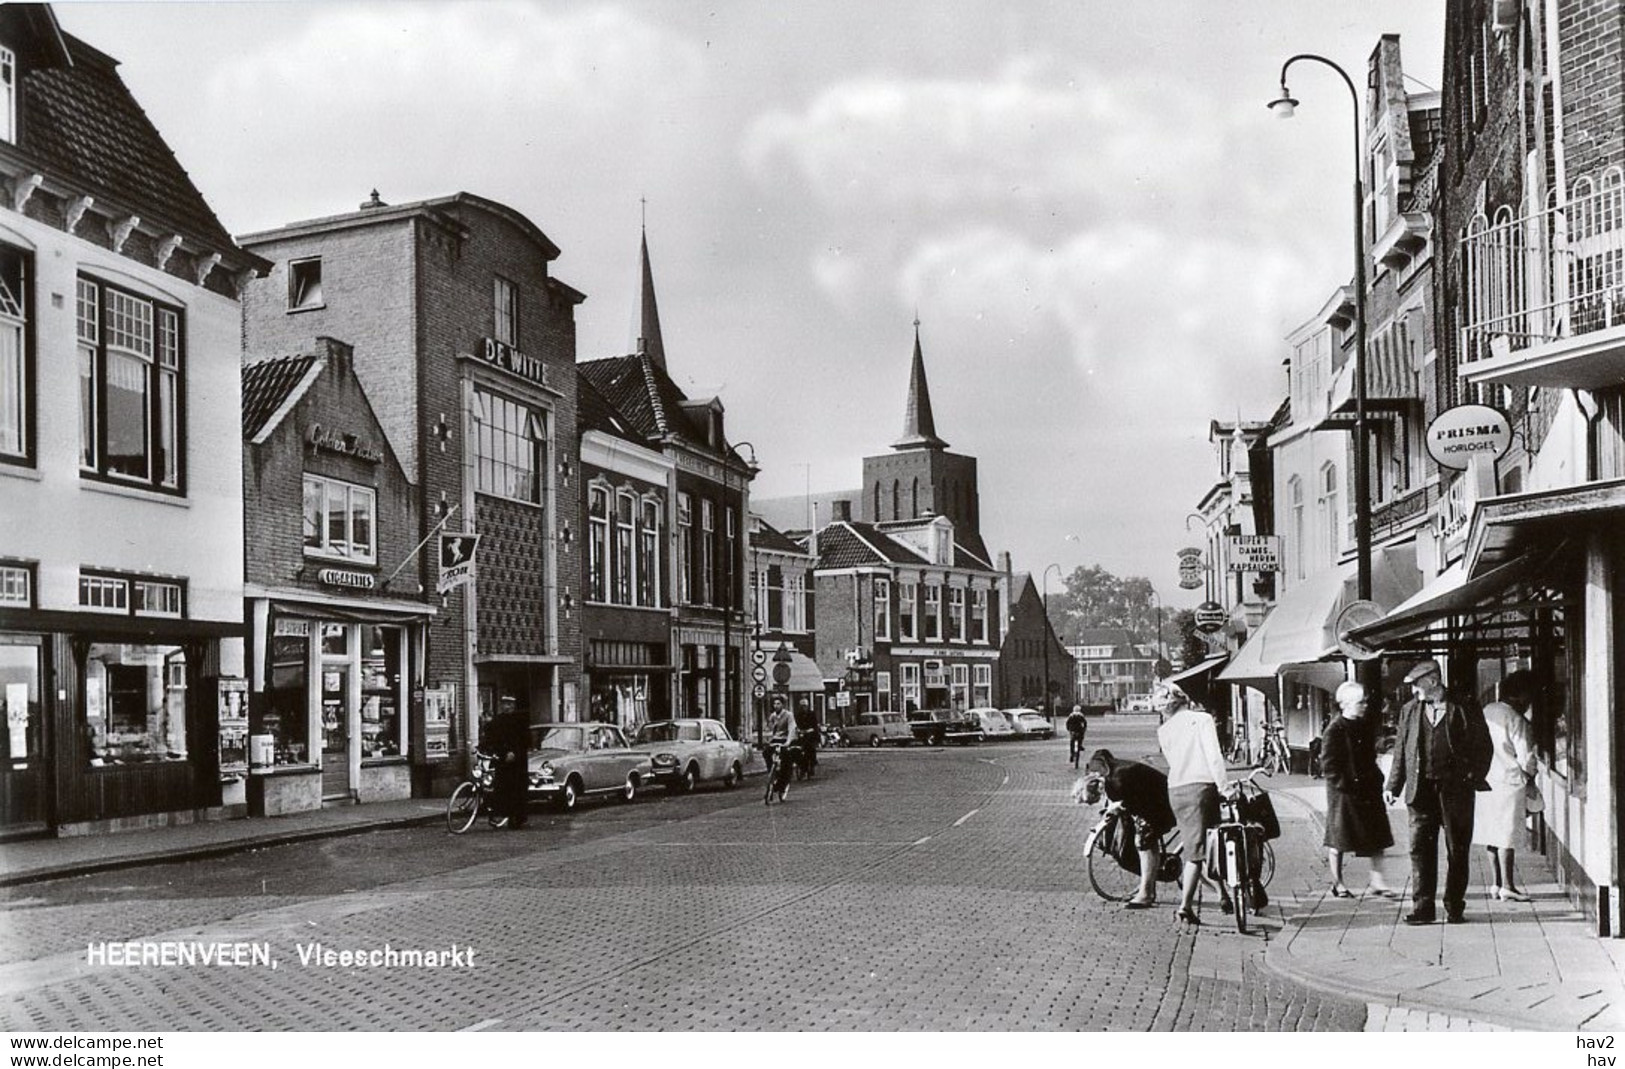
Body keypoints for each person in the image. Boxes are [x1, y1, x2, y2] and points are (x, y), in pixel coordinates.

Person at [1384, 659, 1493, 925]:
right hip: (1420, 791)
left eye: (1417, 685)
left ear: (1433, 681)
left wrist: (1472, 776)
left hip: (1456, 791)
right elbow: (1402, 751)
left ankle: (1454, 906)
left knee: (1457, 848)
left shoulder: (1465, 706)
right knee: (1419, 848)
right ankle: (1423, 908)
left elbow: (1484, 746)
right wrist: (1392, 785)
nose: (1413, 691)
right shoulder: (1410, 711)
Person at [1155, 681, 1230, 926]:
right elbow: (1213, 757)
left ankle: (1222, 894)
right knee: (1199, 852)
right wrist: (1225, 787)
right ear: (1184, 699)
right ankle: (1185, 905)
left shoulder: (1163, 731)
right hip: (1202, 788)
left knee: (1200, 845)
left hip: (1176, 789)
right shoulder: (1202, 719)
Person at [1321, 681, 1395, 898]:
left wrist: (1377, 778)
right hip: (1344, 793)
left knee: (1378, 836)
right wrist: (1344, 784)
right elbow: (1328, 764)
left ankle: (1377, 881)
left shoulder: (1363, 725)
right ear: (1346, 704)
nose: (1365, 705)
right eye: (1361, 702)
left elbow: (1369, 756)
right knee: (1339, 839)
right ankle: (1338, 882)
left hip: (1368, 789)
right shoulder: (1334, 729)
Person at [1078, 748, 1177, 909]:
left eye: (1096, 798)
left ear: (1096, 787)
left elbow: (1133, 800)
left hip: (1164, 800)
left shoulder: (1116, 780)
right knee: (1140, 834)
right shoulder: (1108, 774)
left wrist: (1120, 806)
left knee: (1144, 840)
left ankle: (1147, 893)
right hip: (1152, 797)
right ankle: (1149, 880)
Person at [1474, 671, 1538, 902]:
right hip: (1510, 781)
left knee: (1492, 834)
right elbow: (1527, 757)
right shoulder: (1516, 719)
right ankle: (1509, 885)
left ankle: (1496, 883)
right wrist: (1531, 776)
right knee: (1507, 836)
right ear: (1520, 696)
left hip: (1486, 780)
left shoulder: (1488, 710)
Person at [481, 695, 530, 829]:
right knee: (501, 786)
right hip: (502, 758)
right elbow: (490, 737)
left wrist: (515, 752)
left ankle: (517, 817)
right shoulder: (497, 720)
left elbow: (526, 741)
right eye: (504, 704)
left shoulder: (520, 721)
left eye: (509, 704)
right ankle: (500, 813)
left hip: (517, 762)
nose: (506, 707)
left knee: (516, 788)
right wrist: (482, 747)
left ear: (514, 706)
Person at [793, 699, 820, 775]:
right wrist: (798, 730)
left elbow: (815, 725)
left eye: (804, 706)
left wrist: (810, 730)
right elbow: (795, 724)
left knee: (811, 748)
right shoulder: (798, 715)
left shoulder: (811, 714)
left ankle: (812, 765)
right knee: (796, 749)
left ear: (807, 706)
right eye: (801, 706)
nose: (803, 708)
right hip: (801, 734)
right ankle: (802, 766)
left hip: (810, 734)